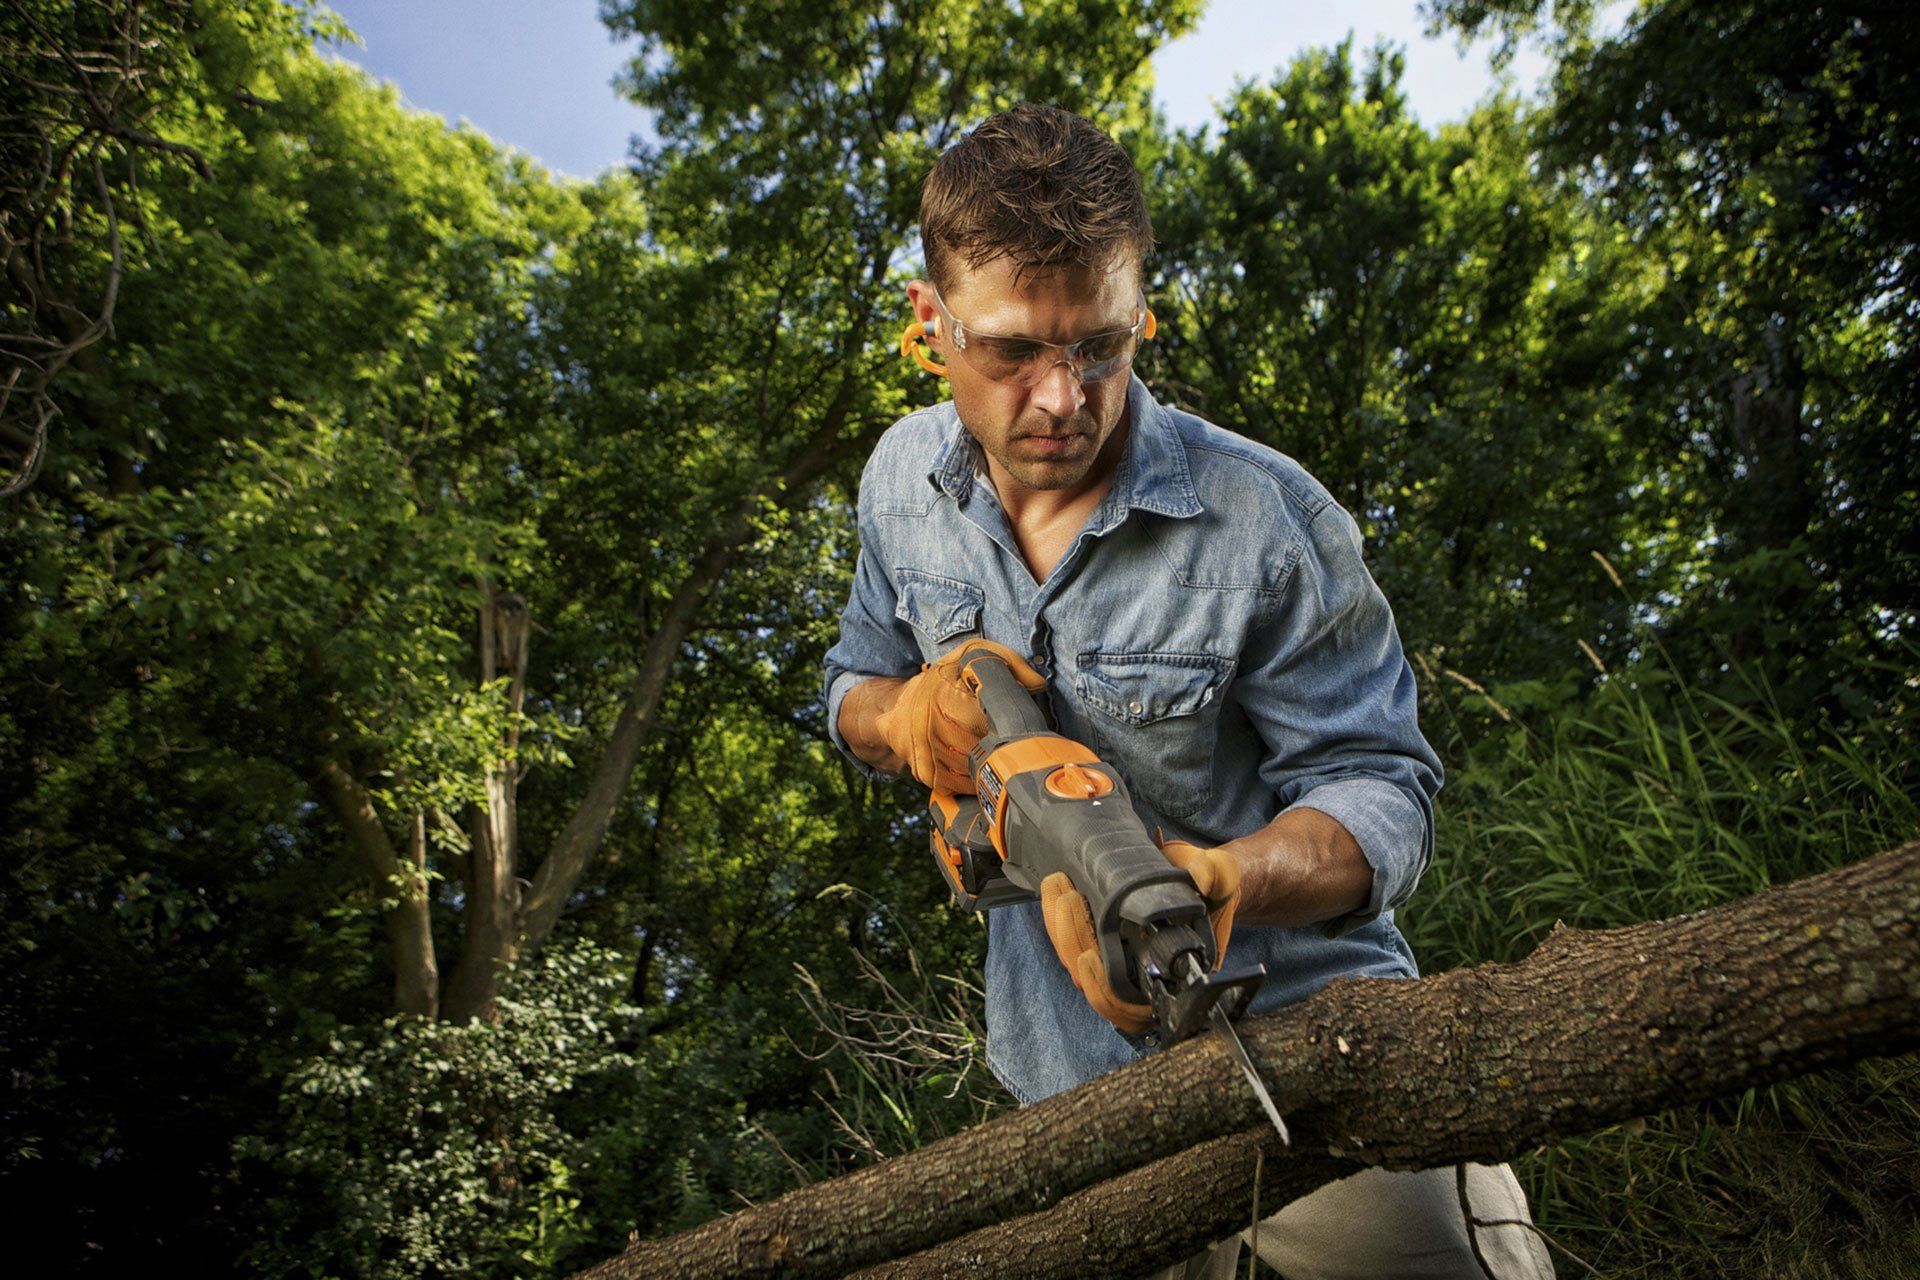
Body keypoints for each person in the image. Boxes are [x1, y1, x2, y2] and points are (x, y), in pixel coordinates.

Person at [821, 102, 1555, 1280]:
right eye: (1012, 351)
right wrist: (906, 719)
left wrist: (1226, 878)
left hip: (1322, 1045)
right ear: (930, 323)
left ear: (1140, 312)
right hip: (1066, 1091)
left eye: (1101, 345)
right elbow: (855, 678)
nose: (1063, 397)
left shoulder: (1268, 520)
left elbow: (1385, 791)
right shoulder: (900, 485)